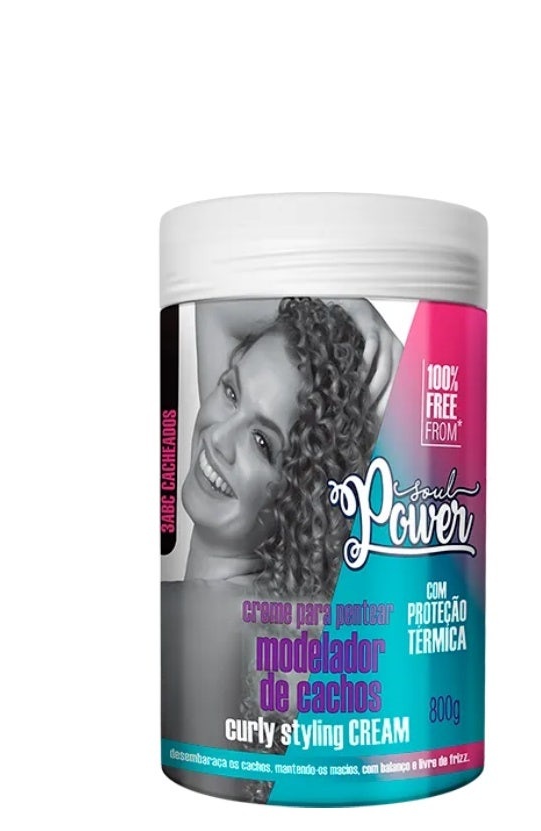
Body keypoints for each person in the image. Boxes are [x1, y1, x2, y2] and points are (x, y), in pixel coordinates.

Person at [161, 297, 401, 799]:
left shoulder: (204, 619)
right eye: (231, 392)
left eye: (262, 443)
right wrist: (344, 303)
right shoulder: (257, 592)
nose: (218, 437)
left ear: (300, 498)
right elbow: (215, 309)